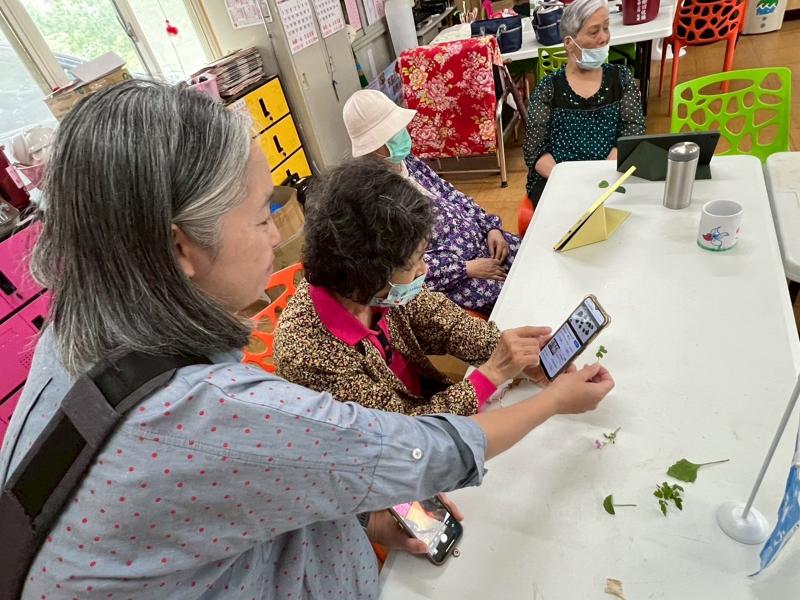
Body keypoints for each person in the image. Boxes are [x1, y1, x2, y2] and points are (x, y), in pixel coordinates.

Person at [0, 80, 614, 600]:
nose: (275, 235)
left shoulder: (78, 336)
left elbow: (234, 496)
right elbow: (422, 451)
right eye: (263, 214)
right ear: (179, 247)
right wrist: (549, 398)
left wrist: (367, 519)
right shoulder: (218, 410)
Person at [274, 157, 549, 417]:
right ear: (369, 274)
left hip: (425, 401)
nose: (424, 269)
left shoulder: (379, 290)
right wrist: (489, 376)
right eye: (416, 262)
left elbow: (448, 325)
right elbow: (403, 433)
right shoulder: (310, 357)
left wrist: (511, 352)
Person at [342, 89, 519, 314]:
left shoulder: (409, 163)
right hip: (456, 276)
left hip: (483, 242)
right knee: (515, 299)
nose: (403, 134)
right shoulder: (375, 198)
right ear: (374, 145)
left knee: (530, 258)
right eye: (393, 133)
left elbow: (452, 194)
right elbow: (403, 269)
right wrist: (465, 269)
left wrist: (490, 227)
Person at [523, 0, 645, 206]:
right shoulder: (548, 88)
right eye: (593, 32)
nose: (604, 38)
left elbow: (633, 130)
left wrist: (603, 173)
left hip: (611, 170)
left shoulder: (621, 78)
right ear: (569, 42)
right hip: (558, 178)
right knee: (569, 218)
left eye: (606, 28)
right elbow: (534, 150)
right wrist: (569, 181)